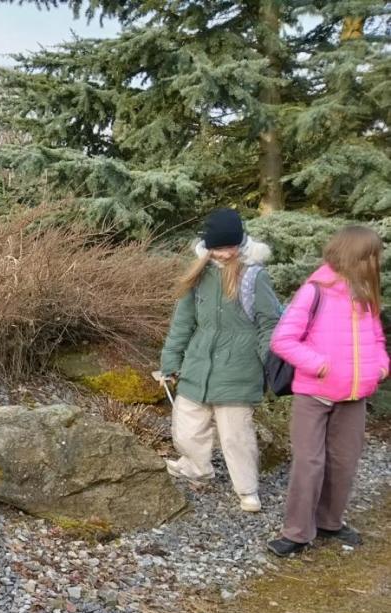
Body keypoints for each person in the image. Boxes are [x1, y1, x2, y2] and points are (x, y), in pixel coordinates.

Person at [266, 225, 389, 557]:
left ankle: (330, 523)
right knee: (309, 462)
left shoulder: (365, 291)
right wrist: (321, 365)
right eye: (372, 256)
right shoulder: (315, 290)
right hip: (314, 395)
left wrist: (380, 367)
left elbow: (377, 340)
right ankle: (296, 533)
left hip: (354, 398)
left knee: (344, 462)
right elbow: (282, 340)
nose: (377, 262)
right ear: (354, 255)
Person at [159, 208, 281, 512]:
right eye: (218, 247)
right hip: (198, 366)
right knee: (186, 427)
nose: (225, 254)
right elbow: (182, 322)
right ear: (207, 246)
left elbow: (270, 322)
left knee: (236, 436)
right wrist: (170, 360)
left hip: (239, 368)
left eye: (230, 247)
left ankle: (247, 490)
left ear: (239, 244)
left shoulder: (254, 275)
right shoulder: (199, 273)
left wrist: (270, 362)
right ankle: (196, 467)